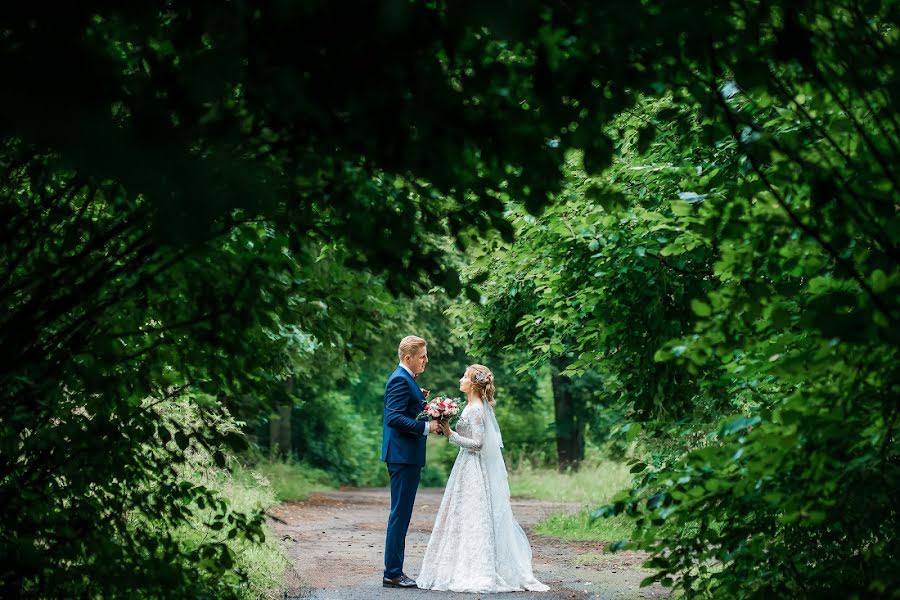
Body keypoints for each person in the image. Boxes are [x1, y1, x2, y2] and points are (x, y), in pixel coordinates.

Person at [417, 364, 549, 593]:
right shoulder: (470, 406)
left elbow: (477, 444)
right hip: (465, 466)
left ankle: (479, 569)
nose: (460, 379)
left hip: (473, 468)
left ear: (474, 384)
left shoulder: (476, 409)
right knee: (464, 516)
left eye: (464, 377)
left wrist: (450, 434)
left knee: (474, 515)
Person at [381, 335, 441, 589]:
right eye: (422, 356)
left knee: (401, 514)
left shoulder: (407, 380)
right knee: (400, 515)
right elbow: (393, 418)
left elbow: (406, 411)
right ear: (409, 358)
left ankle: (394, 571)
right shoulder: (399, 380)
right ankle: (393, 573)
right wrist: (427, 426)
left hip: (406, 456)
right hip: (403, 456)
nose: (426, 360)